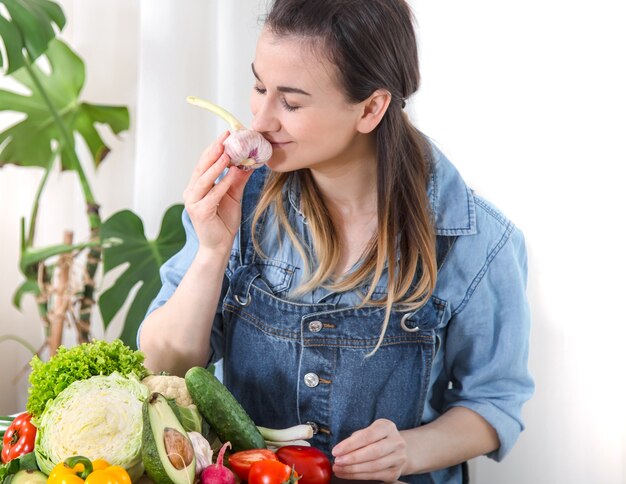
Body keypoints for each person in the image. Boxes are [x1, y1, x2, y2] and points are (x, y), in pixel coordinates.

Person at [138, 0, 534, 482]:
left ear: (371, 108)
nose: (260, 120)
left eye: (291, 102)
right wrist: (212, 252)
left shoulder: (475, 240)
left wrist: (407, 450)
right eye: (259, 86)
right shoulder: (239, 202)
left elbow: (493, 404)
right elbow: (162, 367)